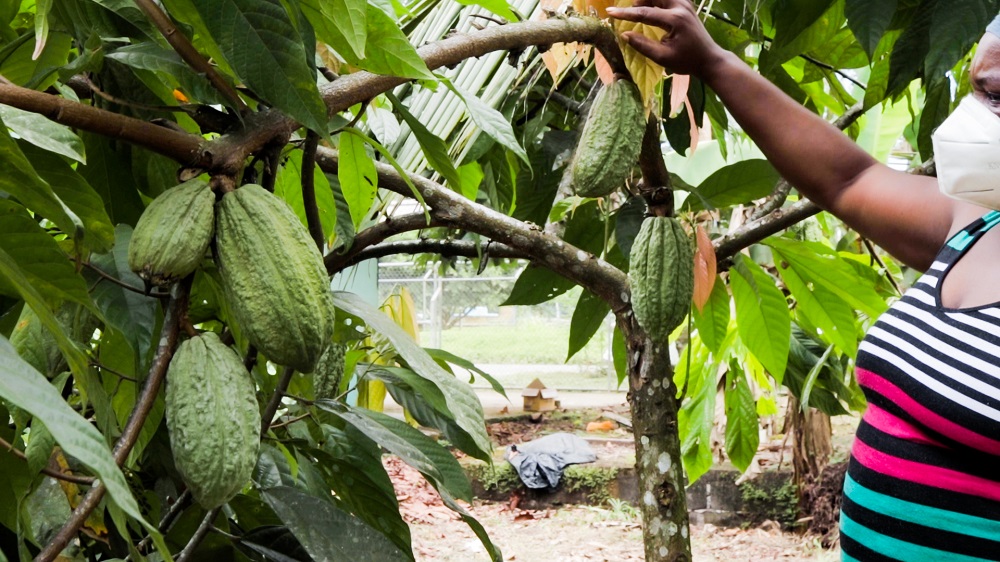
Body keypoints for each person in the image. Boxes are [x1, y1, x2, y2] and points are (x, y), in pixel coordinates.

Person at [605, 1, 1000, 560]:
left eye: (997, 97)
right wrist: (713, 62)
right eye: (978, 91)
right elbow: (848, 179)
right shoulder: (977, 222)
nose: (970, 117)